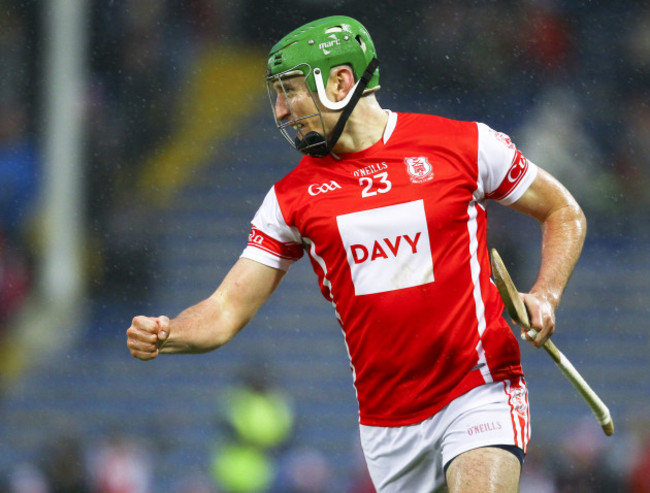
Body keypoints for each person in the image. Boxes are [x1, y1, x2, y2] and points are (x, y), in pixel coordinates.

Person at [127, 15, 586, 492]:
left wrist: (547, 294)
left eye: (291, 90)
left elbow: (563, 211)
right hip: (388, 425)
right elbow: (225, 311)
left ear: (341, 81)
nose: (281, 112)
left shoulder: (464, 145)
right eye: (277, 96)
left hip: (480, 389)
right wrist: (171, 332)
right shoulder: (289, 200)